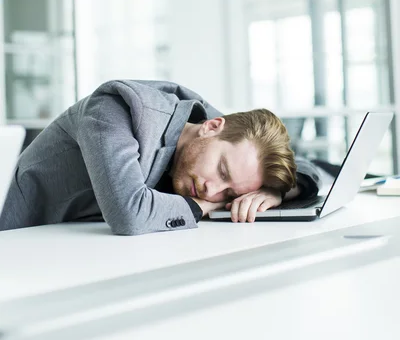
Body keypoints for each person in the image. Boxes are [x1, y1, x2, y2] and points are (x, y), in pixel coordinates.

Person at [0, 80, 322, 234]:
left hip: (78, 247)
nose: (213, 190)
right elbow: (129, 213)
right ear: (211, 127)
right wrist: (209, 206)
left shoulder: (219, 136)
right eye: (222, 171)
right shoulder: (116, 109)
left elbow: (306, 165)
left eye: (231, 193)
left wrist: (270, 191)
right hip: (18, 238)